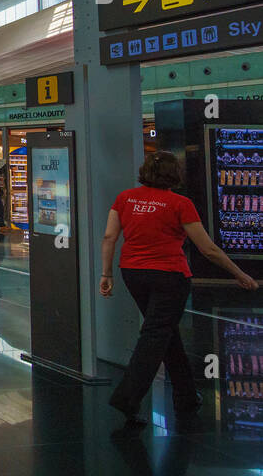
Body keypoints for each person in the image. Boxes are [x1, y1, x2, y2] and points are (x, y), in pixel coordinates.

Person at [102, 151, 257, 426]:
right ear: (175, 174)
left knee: (166, 333)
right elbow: (207, 248)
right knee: (155, 334)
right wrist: (239, 274)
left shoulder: (124, 198)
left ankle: (186, 395)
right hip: (169, 276)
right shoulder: (179, 203)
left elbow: (109, 236)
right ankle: (127, 397)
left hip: (132, 273)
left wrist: (106, 273)